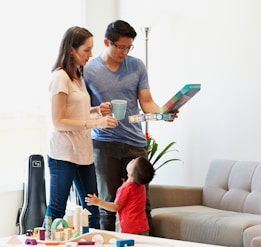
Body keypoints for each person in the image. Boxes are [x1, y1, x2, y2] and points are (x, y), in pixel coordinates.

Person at [84, 20, 173, 232]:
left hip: (135, 144)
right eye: (120, 46)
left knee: (142, 204)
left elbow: (147, 102)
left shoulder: (137, 66)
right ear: (107, 42)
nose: (124, 52)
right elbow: (82, 108)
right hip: (104, 144)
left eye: (128, 47)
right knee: (107, 204)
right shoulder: (89, 69)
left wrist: (164, 114)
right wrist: (98, 110)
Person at [46, 26, 118, 235]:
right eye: (86, 50)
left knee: (92, 209)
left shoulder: (78, 76)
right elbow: (59, 121)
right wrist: (95, 123)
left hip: (83, 154)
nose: (91, 54)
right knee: (57, 210)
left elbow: (75, 111)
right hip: (63, 154)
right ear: (71, 50)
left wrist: (96, 111)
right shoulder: (60, 77)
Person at [85, 156, 155, 235]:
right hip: (143, 226)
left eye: (133, 161)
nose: (132, 159)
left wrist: (98, 202)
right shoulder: (141, 186)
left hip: (130, 230)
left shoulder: (125, 189)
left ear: (131, 174)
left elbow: (115, 207)